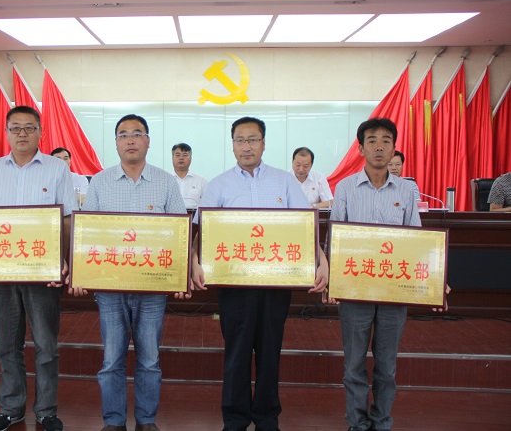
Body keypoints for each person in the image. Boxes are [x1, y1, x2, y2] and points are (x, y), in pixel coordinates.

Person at [190, 117, 329, 431]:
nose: (246, 146)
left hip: (275, 283)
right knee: (236, 352)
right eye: (240, 140)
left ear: (263, 144)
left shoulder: (284, 181)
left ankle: (267, 418)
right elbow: (202, 230)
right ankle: (235, 419)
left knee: (269, 352)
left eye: (253, 139)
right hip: (233, 284)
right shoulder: (219, 184)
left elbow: (305, 227)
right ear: (232, 145)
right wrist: (195, 261)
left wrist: (322, 261)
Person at [70, 114, 186, 431]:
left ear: (148, 140)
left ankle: (146, 420)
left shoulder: (166, 182)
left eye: (137, 133)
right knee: (111, 360)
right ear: (116, 143)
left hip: (152, 288)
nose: (130, 140)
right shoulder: (100, 182)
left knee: (150, 359)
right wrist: (79, 273)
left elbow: (179, 232)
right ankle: (114, 421)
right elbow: (86, 233)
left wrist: (181, 274)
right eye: (123, 134)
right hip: (109, 287)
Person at [330, 117, 448, 431]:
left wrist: (436, 279)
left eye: (386, 140)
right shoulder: (345, 188)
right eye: (372, 140)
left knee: (386, 365)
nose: (379, 147)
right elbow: (335, 237)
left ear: (394, 148)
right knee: (354, 363)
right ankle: (357, 422)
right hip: (355, 288)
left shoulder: (407, 190)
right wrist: (332, 282)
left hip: (395, 291)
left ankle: (381, 420)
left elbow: (417, 240)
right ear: (360, 148)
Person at [0, 106, 75, 431]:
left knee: (46, 345)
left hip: (43, 270)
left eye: (29, 127)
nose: (22, 134)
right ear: (6, 133)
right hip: (2, 270)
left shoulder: (57, 168)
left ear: (41, 132)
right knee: (6, 344)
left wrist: (64, 260)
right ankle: (11, 407)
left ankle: (46, 410)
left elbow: (67, 219)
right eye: (15, 128)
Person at [170, 142, 207, 210]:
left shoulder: (201, 181)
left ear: (190, 159)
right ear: (172, 158)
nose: (181, 158)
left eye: (185, 155)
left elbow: (207, 205)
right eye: (177, 155)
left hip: (194, 216)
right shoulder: (166, 180)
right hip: (171, 216)